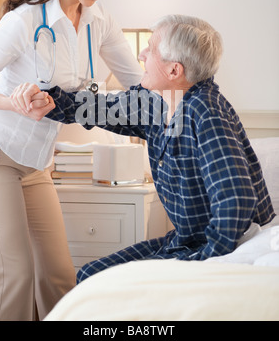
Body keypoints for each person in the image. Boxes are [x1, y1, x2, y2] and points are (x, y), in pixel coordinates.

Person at [26, 14, 275, 284]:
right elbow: (95, 109)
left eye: (151, 48)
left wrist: (203, 261)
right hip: (186, 240)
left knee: (98, 280)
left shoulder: (205, 110)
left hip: (216, 246)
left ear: (174, 71)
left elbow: (235, 203)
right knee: (90, 275)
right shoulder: (158, 104)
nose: (142, 54)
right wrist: (47, 100)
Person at [0, 0, 142, 321]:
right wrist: (11, 102)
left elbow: (138, 82)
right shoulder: (24, 21)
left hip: (37, 164)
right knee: (15, 273)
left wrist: (180, 85)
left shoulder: (97, 20)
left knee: (58, 277)